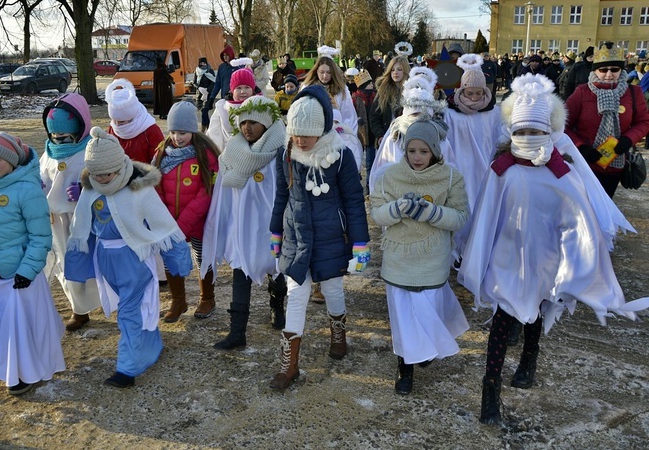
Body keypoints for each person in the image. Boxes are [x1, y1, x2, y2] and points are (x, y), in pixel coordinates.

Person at [458, 73, 649, 425]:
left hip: (546, 261)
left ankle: (530, 356)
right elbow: (486, 218)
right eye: (522, 132)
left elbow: (579, 224)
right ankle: (490, 390)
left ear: (550, 132)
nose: (529, 139)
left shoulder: (563, 174)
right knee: (504, 320)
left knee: (536, 312)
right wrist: (479, 261)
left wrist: (577, 263)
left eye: (536, 132)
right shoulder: (502, 171)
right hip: (508, 261)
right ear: (512, 133)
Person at [66, 127, 188, 388]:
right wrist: (77, 264)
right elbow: (81, 227)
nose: (103, 179)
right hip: (105, 261)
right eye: (96, 174)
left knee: (129, 312)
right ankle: (152, 345)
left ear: (119, 167)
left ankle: (127, 368)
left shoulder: (137, 189)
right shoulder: (92, 189)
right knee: (133, 309)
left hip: (133, 260)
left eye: (107, 173)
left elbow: (163, 223)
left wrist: (178, 259)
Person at [269, 85, 370, 390]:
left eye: (308, 133)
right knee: (296, 295)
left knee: (333, 289)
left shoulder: (340, 156)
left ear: (323, 127)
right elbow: (281, 195)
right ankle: (290, 365)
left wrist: (360, 243)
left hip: (330, 237)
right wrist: (276, 232)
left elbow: (353, 200)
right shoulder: (286, 155)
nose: (301, 139)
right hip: (297, 237)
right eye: (296, 132)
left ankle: (338, 331)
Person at [370, 117, 469, 395]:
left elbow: (460, 217)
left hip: (431, 257)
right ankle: (405, 368)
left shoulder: (451, 177)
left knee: (427, 311)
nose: (417, 157)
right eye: (412, 151)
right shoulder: (389, 176)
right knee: (403, 318)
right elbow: (377, 213)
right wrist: (398, 208)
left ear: (435, 151)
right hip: (399, 258)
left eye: (423, 151)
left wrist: (432, 213)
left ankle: (424, 350)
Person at [0, 132, 65, 396]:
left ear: (12, 161)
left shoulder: (28, 191)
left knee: (23, 329)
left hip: (21, 276)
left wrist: (27, 270)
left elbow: (40, 236)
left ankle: (25, 372)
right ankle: (4, 365)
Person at [200, 96, 289, 349]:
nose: (247, 128)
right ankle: (237, 332)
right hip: (242, 226)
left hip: (271, 225)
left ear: (267, 124)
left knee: (276, 269)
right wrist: (223, 223)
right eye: (243, 123)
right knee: (241, 272)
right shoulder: (232, 152)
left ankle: (277, 306)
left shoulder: (279, 153)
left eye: (253, 123)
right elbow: (224, 192)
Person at [154, 101, 220, 322]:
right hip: (170, 220)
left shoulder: (206, 154)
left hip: (198, 221)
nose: (176, 137)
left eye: (182, 132)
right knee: (171, 259)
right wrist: (165, 216)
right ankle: (178, 300)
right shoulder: (162, 153)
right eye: (173, 132)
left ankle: (207, 298)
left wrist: (184, 222)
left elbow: (207, 191)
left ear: (193, 130)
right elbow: (156, 185)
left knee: (203, 258)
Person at [40, 93, 102, 331]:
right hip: (56, 221)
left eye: (66, 136)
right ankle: (80, 310)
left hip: (84, 219)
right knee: (66, 266)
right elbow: (43, 175)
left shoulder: (90, 150)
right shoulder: (48, 152)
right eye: (55, 136)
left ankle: (109, 301)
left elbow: (108, 177)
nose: (60, 141)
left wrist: (87, 188)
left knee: (93, 264)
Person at [565, 42, 649, 198]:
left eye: (615, 69)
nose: (609, 74)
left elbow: (643, 122)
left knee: (605, 203)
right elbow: (563, 124)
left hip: (615, 164)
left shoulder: (633, 92)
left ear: (621, 70)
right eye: (603, 70)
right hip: (585, 163)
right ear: (595, 70)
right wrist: (581, 147)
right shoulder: (582, 92)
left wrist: (628, 139)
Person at [443, 54, 500, 258]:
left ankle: (479, 250)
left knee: (482, 209)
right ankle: (459, 250)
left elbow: (498, 137)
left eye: (478, 93)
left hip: (485, 167)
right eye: (470, 92)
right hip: (461, 167)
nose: (474, 98)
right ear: (462, 89)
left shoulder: (492, 112)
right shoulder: (451, 113)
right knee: (462, 207)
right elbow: (446, 141)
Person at [370, 67, 447, 190]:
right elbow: (383, 168)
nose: (417, 119)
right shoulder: (395, 136)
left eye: (421, 114)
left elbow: (448, 167)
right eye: (413, 114)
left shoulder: (438, 135)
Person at [106, 79, 164, 164]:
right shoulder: (112, 128)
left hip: (143, 175)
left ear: (132, 116)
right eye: (115, 121)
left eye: (122, 122)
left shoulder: (150, 130)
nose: (118, 125)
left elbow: (159, 159)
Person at [301, 55, 358, 133]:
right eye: (322, 72)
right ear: (316, 71)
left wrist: (347, 135)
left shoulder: (341, 89)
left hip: (337, 133)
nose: (325, 76)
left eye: (329, 72)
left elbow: (348, 115)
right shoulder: (307, 88)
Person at [206, 67, 256, 151]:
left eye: (247, 87)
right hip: (227, 152)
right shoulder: (222, 108)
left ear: (252, 89)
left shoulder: (261, 106)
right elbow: (213, 133)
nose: (243, 91)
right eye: (238, 88)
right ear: (232, 90)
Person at [369, 56, 410, 158]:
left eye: (399, 69)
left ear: (405, 71)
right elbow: (374, 116)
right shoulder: (383, 91)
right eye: (392, 70)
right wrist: (380, 135)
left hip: (407, 141)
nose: (395, 72)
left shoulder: (412, 91)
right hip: (387, 140)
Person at [203, 44, 236, 130]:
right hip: (224, 98)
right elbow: (217, 83)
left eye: (227, 55)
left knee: (233, 120)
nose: (225, 57)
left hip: (235, 98)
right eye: (224, 55)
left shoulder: (237, 66)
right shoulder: (222, 67)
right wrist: (211, 98)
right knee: (223, 120)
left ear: (231, 55)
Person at [352, 70, 376, 180]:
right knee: (357, 159)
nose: (372, 85)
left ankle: (369, 185)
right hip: (359, 134)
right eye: (370, 83)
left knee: (371, 161)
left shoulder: (374, 96)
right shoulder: (355, 99)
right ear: (364, 85)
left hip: (372, 134)